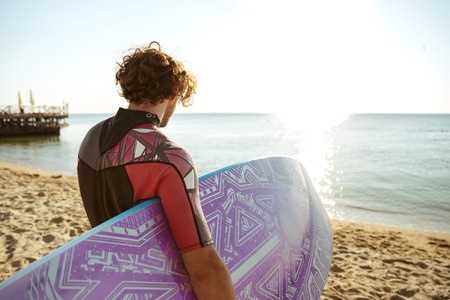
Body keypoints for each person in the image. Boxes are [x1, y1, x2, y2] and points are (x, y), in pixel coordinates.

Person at [77, 41, 235, 299]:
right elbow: (203, 266)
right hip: (155, 289)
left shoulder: (89, 139)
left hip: (110, 285)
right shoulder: (170, 158)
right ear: (174, 94)